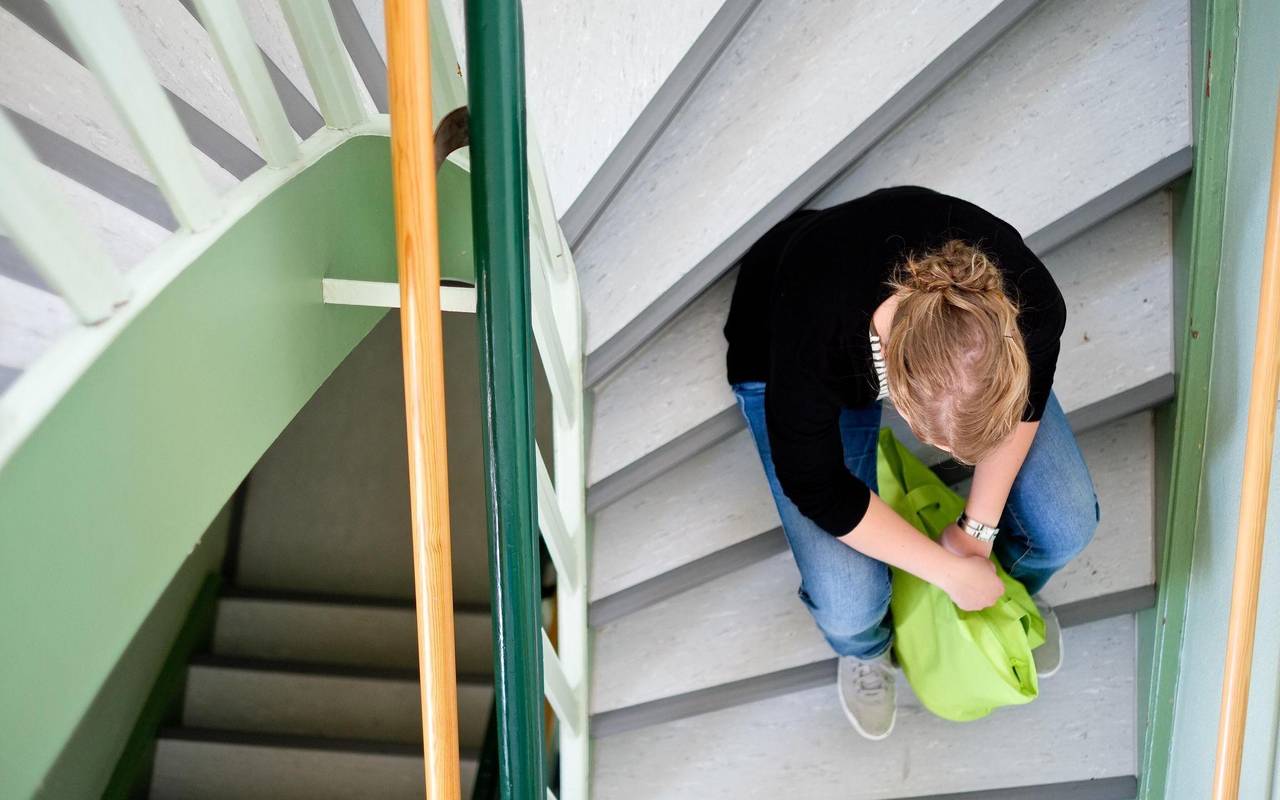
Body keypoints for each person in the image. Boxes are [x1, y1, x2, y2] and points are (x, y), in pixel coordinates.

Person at [723, 185, 1099, 741]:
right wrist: (946, 570)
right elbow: (818, 487)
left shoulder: (1033, 300)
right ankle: (868, 648)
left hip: (922, 348)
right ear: (898, 399)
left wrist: (977, 532)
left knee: (1068, 524)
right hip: (778, 344)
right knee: (849, 601)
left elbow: (1030, 401)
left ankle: (1000, 590)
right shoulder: (815, 324)